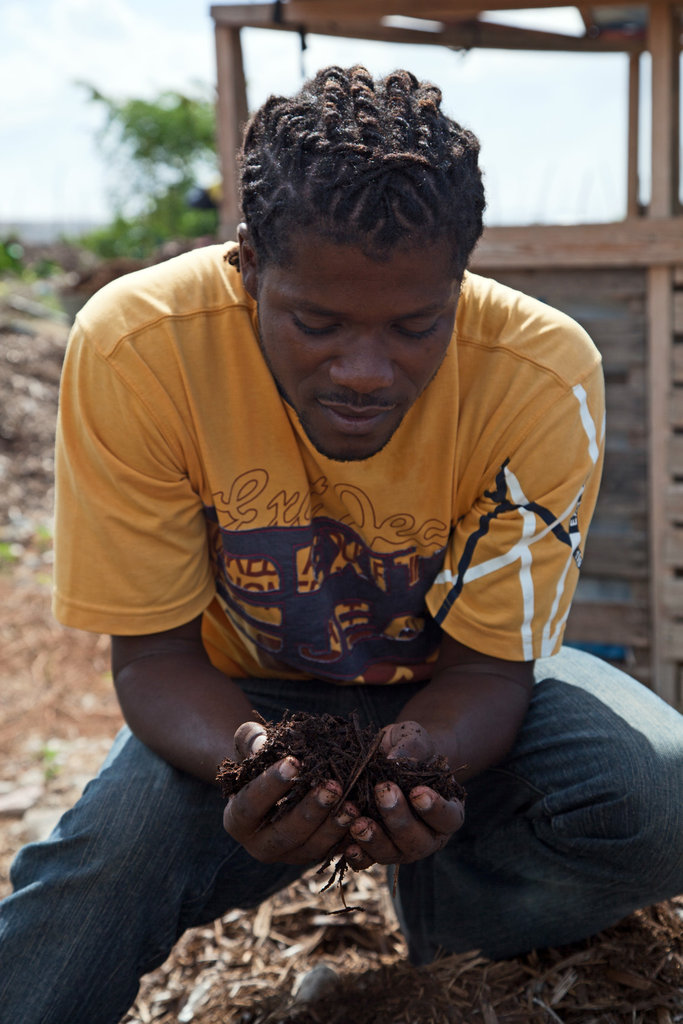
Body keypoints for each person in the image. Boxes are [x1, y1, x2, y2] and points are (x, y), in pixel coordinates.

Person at [0, 65, 681, 1024]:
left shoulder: (539, 372)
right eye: (315, 323)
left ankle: (452, 936)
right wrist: (255, 762)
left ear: (460, 284)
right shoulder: (140, 346)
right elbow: (153, 659)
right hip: (240, 695)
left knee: (658, 790)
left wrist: (424, 759)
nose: (364, 370)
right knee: (95, 882)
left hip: (451, 685)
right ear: (247, 265)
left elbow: (488, 671)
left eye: (415, 326)